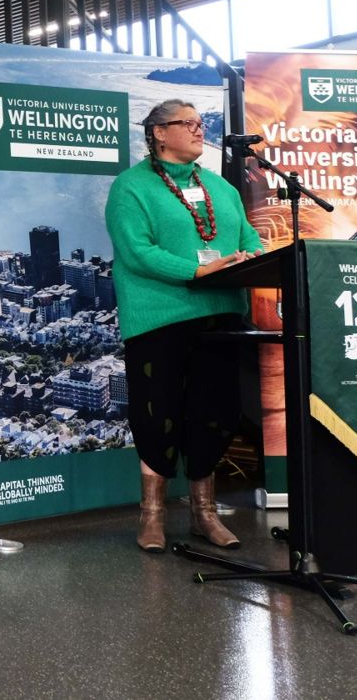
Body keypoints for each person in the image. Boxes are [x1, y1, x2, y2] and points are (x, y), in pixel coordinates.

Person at [105, 100, 262, 554]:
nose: (199, 130)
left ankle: (203, 514)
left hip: (221, 316)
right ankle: (152, 516)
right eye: (188, 123)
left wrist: (250, 258)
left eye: (200, 123)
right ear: (158, 132)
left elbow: (247, 239)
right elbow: (136, 251)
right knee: (159, 413)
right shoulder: (131, 187)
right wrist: (198, 272)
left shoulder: (219, 187)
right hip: (160, 319)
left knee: (214, 413)